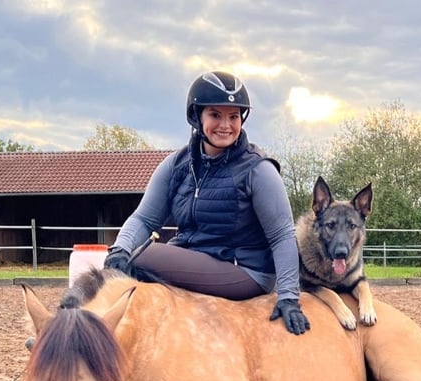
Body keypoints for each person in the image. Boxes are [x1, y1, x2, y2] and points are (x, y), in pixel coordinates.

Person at [104, 70, 310, 335]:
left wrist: (289, 297)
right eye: (216, 115)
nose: (226, 125)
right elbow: (144, 219)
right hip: (195, 257)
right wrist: (119, 248)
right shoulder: (176, 165)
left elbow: (282, 235)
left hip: (244, 271)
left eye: (233, 116)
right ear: (196, 116)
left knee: (143, 257)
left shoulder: (258, 170)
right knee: (116, 260)